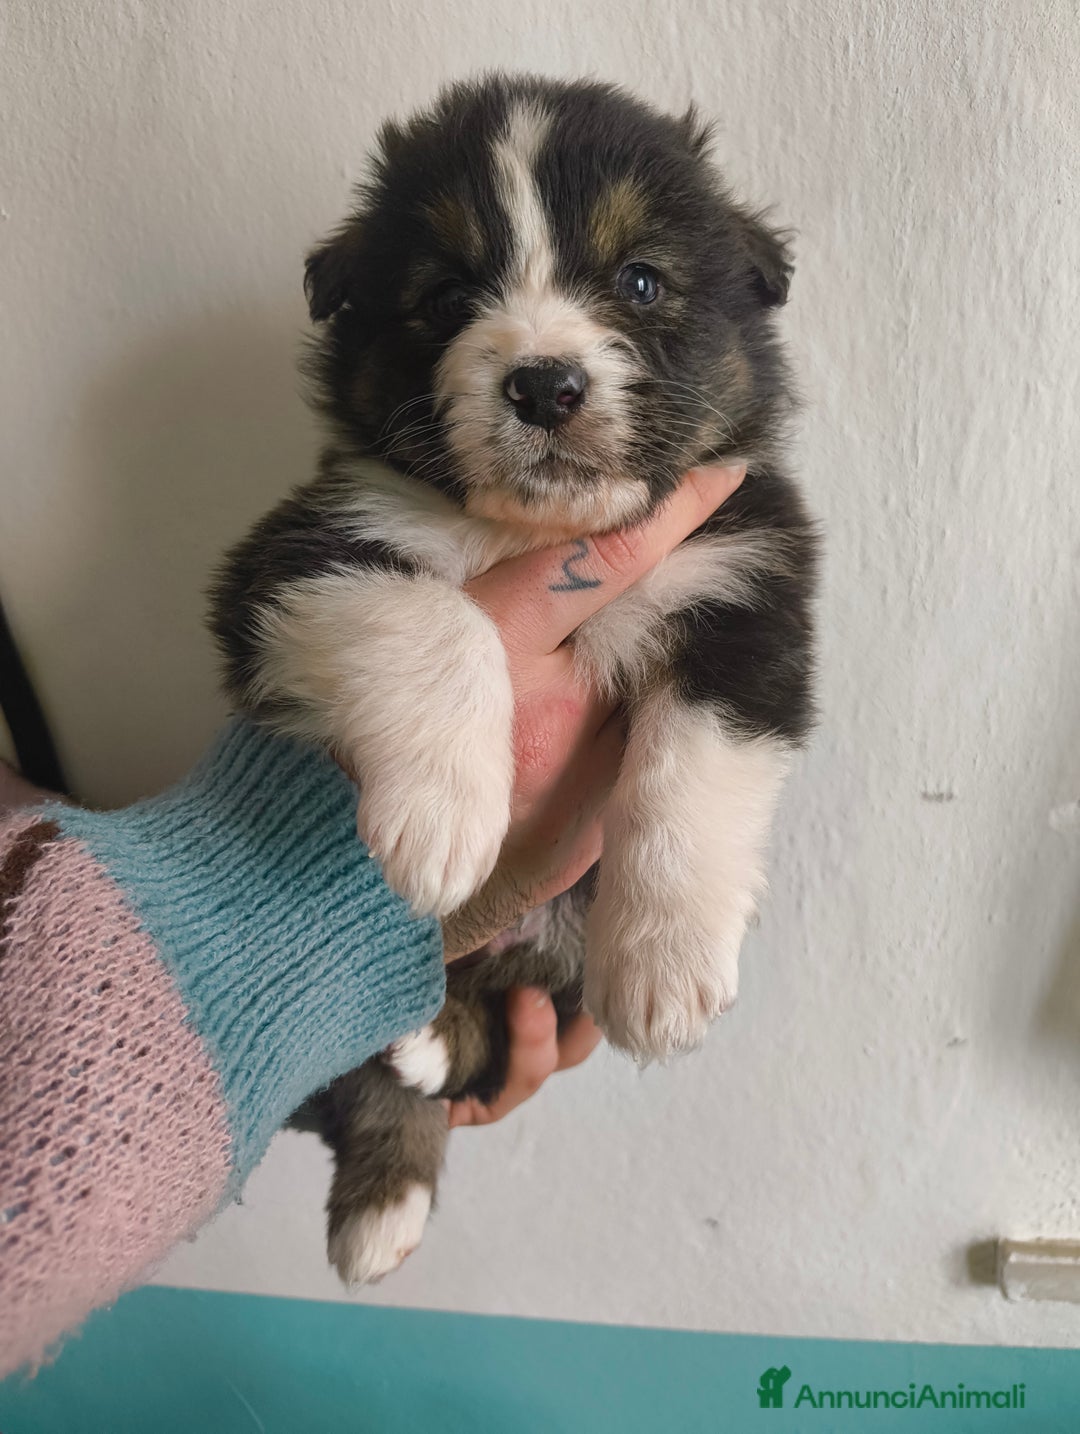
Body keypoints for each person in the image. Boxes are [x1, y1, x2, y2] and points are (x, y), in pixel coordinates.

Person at [0, 463, 744, 1377]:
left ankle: (421, 1077)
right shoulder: (379, 506)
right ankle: (401, 1121)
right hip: (246, 961)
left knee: (502, 1028)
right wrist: (291, 917)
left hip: (512, 950)